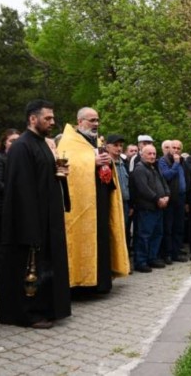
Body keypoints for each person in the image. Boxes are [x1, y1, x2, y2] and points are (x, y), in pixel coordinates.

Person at [0, 99, 71, 328]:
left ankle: (46, 308)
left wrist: (58, 173)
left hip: (46, 218)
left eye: (52, 117)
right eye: (47, 118)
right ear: (32, 118)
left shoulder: (41, 143)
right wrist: (31, 229)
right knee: (28, 269)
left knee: (46, 266)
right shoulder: (22, 146)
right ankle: (27, 314)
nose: (52, 122)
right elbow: (21, 190)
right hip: (30, 222)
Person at [57, 107, 129, 294]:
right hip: (81, 205)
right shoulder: (69, 141)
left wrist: (107, 161)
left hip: (101, 199)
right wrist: (92, 162)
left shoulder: (96, 141)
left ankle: (102, 282)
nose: (96, 124)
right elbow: (67, 166)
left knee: (102, 238)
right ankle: (82, 283)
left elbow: (102, 162)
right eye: (92, 120)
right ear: (80, 121)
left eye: (97, 120)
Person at [130, 144, 170, 272]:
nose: (152, 156)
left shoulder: (154, 168)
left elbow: (163, 183)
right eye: (149, 153)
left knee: (157, 234)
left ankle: (152, 258)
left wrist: (167, 196)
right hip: (146, 209)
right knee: (144, 236)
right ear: (142, 154)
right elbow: (143, 189)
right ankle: (140, 261)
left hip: (158, 208)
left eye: (154, 154)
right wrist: (157, 199)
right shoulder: (139, 169)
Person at [0, 128, 21, 268]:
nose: (15, 143)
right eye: (12, 141)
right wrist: (17, 192)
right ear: (4, 143)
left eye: (17, 141)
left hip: (17, 205)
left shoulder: (20, 158)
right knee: (3, 238)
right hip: (2, 205)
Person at [158, 139, 189, 264]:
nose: (176, 150)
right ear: (169, 149)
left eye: (178, 148)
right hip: (170, 198)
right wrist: (175, 164)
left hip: (181, 198)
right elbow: (167, 176)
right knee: (168, 228)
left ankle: (176, 253)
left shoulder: (183, 161)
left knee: (179, 227)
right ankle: (168, 254)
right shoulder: (163, 161)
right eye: (174, 148)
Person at [106, 134, 132, 254]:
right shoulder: (105, 164)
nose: (119, 148)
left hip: (125, 203)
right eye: (115, 145)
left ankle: (124, 259)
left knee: (125, 231)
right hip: (112, 203)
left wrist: (131, 205)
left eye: (121, 145)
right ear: (107, 147)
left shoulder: (124, 163)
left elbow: (129, 184)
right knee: (113, 231)